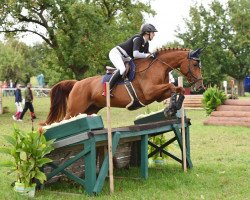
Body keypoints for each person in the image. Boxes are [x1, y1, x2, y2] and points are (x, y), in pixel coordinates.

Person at [106, 23, 158, 95]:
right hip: (116, 53)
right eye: (153, 32)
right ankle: (107, 89)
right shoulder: (138, 38)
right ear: (147, 32)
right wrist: (148, 55)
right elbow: (135, 54)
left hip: (125, 57)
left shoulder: (146, 43)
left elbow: (146, 56)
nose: (154, 35)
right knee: (122, 69)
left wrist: (153, 56)